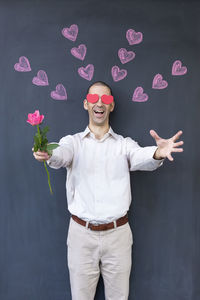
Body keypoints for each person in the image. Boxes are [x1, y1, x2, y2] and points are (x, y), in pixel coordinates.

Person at [32, 81, 184, 300]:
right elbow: (61, 155)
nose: (100, 103)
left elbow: (142, 157)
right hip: (80, 236)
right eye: (93, 98)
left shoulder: (124, 144)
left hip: (118, 235)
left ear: (112, 106)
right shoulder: (73, 142)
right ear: (86, 104)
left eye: (106, 99)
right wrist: (48, 153)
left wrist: (158, 153)